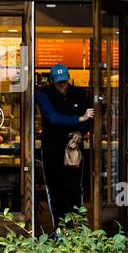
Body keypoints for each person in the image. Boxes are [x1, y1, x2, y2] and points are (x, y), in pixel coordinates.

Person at [35, 63, 94, 230]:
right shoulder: (43, 95)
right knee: (55, 191)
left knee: (75, 189)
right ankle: (59, 230)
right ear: (52, 80)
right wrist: (79, 119)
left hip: (73, 147)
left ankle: (76, 230)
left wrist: (80, 132)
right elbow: (53, 119)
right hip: (52, 148)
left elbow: (90, 119)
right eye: (59, 81)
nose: (62, 85)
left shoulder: (80, 94)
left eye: (65, 81)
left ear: (68, 79)